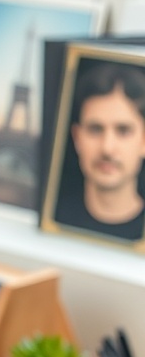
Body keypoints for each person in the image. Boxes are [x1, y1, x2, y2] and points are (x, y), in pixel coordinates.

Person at [55, 61, 145, 241]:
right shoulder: (56, 218)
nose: (107, 148)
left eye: (123, 130)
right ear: (77, 137)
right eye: (95, 129)